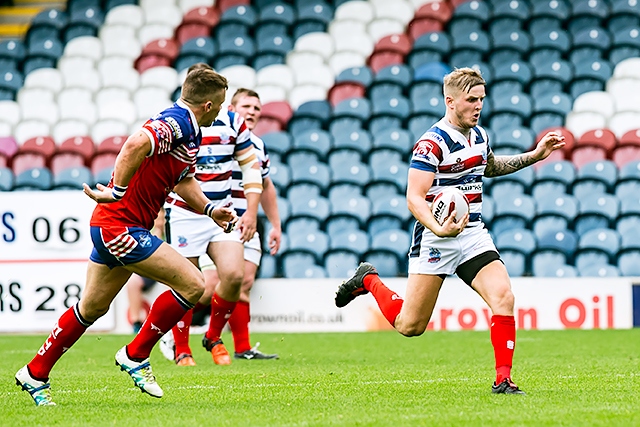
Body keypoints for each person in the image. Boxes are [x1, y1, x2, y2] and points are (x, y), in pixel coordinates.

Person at [335, 67, 565, 395]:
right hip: (435, 237)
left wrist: (535, 155)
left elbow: (491, 167)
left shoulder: (480, 135)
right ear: (450, 101)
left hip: (471, 232)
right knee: (409, 326)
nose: (478, 106)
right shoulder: (432, 144)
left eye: (482, 99)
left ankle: (503, 380)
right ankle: (368, 280)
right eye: (471, 100)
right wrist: (438, 229)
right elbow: (414, 198)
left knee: (504, 296)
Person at [14, 68, 237, 406]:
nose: (221, 111)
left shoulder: (189, 132)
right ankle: (136, 354)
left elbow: (182, 180)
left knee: (91, 307)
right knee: (193, 284)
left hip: (117, 225)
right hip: (120, 226)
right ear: (207, 105)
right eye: (220, 106)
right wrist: (118, 190)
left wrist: (209, 210)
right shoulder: (176, 122)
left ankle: (34, 373)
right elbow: (135, 143)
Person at [161, 88, 281, 363]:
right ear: (230, 107)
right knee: (202, 283)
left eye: (257, 108)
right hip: (206, 214)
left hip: (242, 217)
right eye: (246, 106)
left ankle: (238, 346)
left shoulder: (257, 146)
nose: (252, 112)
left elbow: (266, 185)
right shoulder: (201, 132)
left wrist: (274, 224)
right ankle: (179, 337)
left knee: (242, 280)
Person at [126, 208, 165, 333]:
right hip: (152, 269)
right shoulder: (147, 232)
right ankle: (136, 322)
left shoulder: (174, 230)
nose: (160, 222)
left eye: (162, 219)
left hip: (171, 270)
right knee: (132, 282)